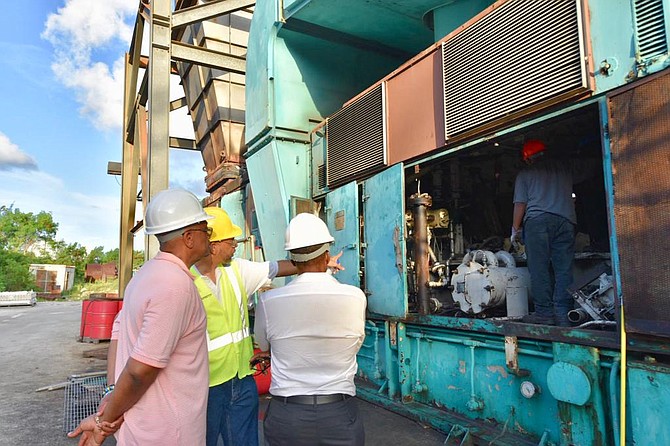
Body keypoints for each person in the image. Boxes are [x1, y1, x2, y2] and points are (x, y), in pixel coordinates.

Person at [68, 188, 213, 445]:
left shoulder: (146, 275)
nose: (210, 238)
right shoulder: (174, 285)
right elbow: (140, 371)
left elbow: (117, 332)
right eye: (206, 230)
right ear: (189, 237)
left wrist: (112, 393)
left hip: (142, 429)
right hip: (168, 434)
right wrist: (103, 423)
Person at [192, 207, 343, 446]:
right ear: (213, 245)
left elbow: (277, 267)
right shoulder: (185, 282)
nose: (236, 244)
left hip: (241, 381)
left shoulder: (236, 270)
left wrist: (318, 263)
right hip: (203, 386)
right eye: (230, 240)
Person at [254, 213, 367, 446]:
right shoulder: (355, 297)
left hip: (287, 416)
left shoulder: (269, 301)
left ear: (292, 260)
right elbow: (355, 344)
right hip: (339, 414)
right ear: (327, 256)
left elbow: (264, 346)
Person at [512, 139, 581, 326]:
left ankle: (544, 313)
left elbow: (520, 204)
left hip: (538, 223)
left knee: (539, 268)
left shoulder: (526, 173)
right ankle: (563, 313)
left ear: (527, 158)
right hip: (566, 222)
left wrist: (515, 229)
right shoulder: (564, 170)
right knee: (564, 268)